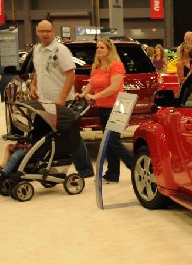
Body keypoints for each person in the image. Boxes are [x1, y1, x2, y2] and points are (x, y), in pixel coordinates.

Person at [29, 19, 94, 178]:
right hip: (44, 102)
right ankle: (48, 168)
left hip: (62, 101)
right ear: (37, 33)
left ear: (53, 32)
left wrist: (62, 98)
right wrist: (33, 85)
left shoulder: (61, 50)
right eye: (41, 31)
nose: (44, 34)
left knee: (70, 136)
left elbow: (71, 75)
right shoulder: (37, 50)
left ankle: (85, 169)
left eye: (47, 31)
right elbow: (39, 70)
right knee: (45, 135)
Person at [79, 38, 134, 184]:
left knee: (113, 141)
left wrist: (95, 96)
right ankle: (112, 174)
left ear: (109, 50)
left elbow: (114, 87)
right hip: (103, 107)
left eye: (102, 48)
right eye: (97, 48)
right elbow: (91, 83)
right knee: (108, 141)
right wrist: (83, 94)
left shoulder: (116, 65)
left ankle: (135, 166)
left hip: (118, 107)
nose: (98, 50)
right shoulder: (96, 67)